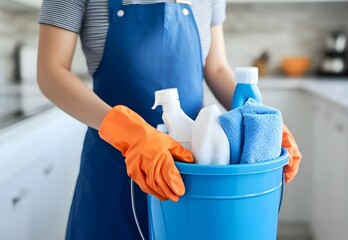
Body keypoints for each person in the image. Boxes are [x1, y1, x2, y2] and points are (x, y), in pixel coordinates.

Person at [37, 0, 302, 239]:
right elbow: (51, 70)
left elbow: (216, 67)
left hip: (190, 173)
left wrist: (259, 121)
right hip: (112, 168)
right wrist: (129, 133)